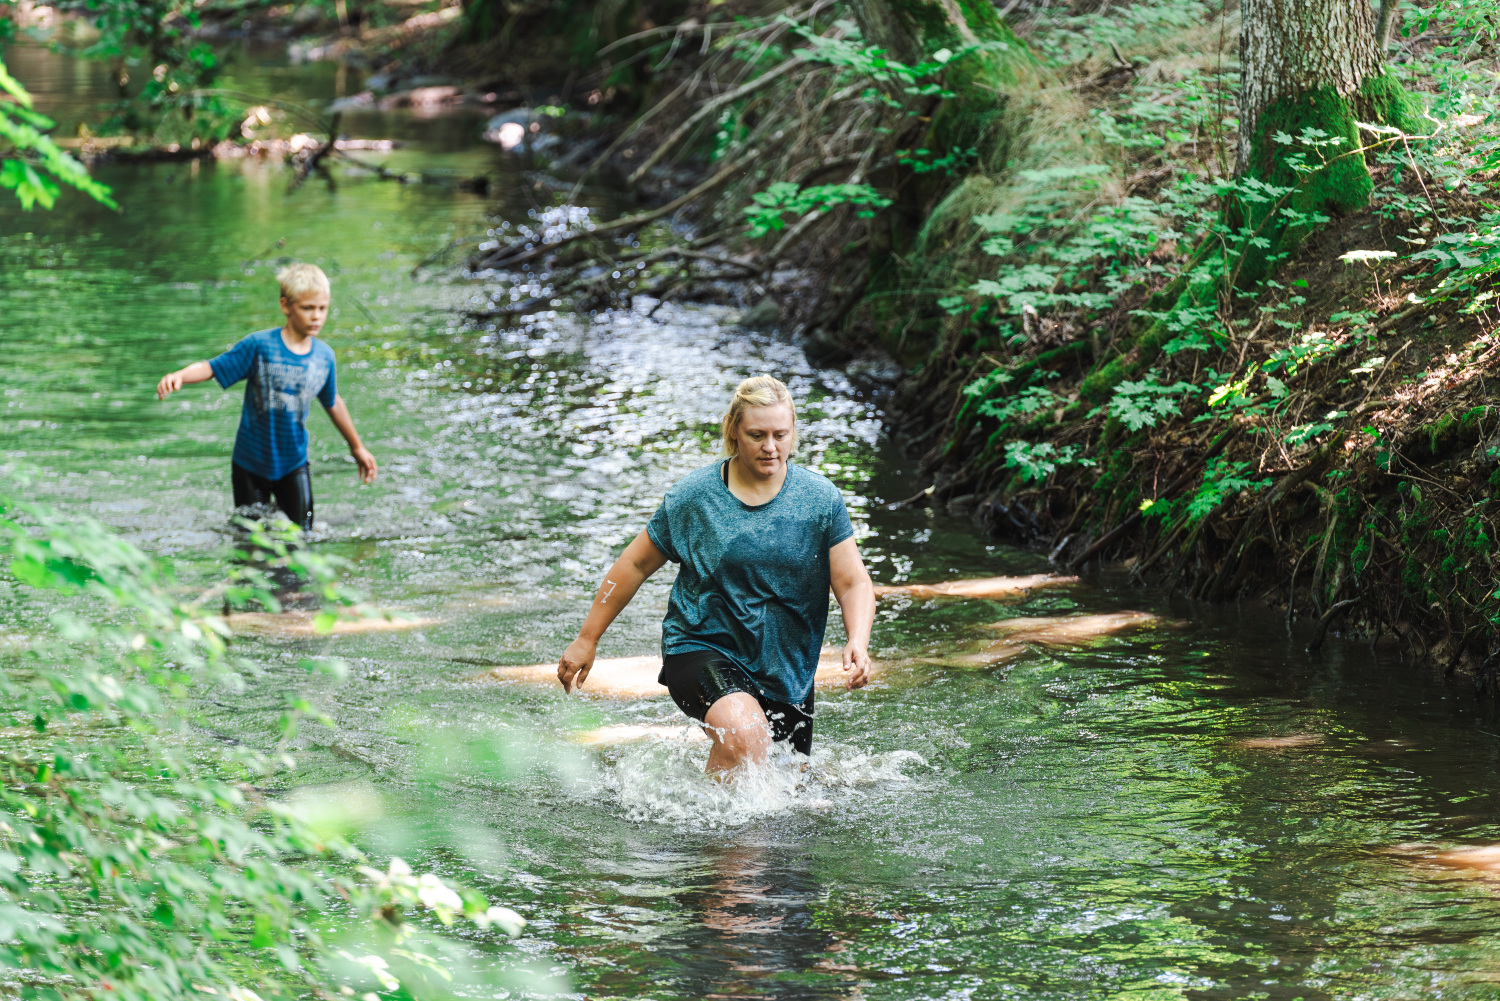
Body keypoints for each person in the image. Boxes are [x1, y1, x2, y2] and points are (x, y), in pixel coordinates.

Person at [556, 375, 875, 774]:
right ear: (733, 430)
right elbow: (635, 564)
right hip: (700, 646)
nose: (770, 447)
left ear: (793, 431)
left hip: (786, 669)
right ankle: (711, 817)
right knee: (745, 734)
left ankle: (697, 809)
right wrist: (587, 638)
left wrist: (858, 640)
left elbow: (852, 582)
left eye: (780, 435)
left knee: (783, 787)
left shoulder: (820, 500)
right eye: (757, 435)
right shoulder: (694, 498)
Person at [155, 263, 377, 530]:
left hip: (293, 462)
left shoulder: (324, 357)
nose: (317, 316)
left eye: (323, 308)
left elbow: (332, 401)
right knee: (249, 536)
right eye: (308, 308)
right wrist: (180, 375)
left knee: (302, 536)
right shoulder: (259, 346)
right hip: (250, 464)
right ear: (286, 306)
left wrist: (357, 447)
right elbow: (213, 367)